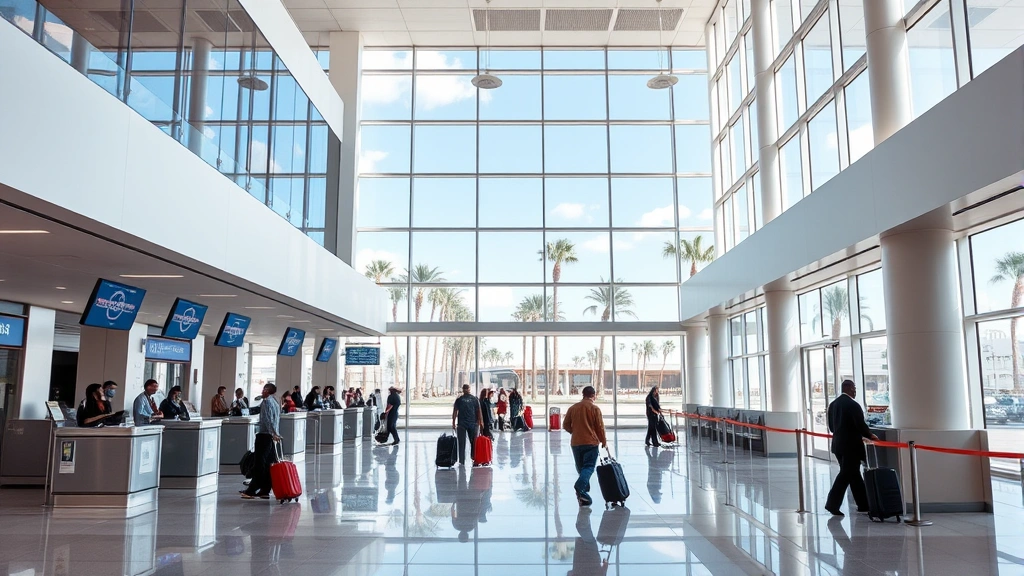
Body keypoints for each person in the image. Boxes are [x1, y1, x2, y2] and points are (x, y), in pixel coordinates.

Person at [825, 379, 879, 516]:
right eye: (854, 388)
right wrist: (870, 435)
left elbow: (831, 427)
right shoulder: (853, 405)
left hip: (838, 446)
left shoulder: (833, 404)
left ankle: (864, 504)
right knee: (845, 475)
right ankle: (832, 504)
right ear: (848, 388)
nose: (855, 391)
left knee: (854, 475)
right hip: (851, 447)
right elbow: (860, 425)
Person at [562, 386, 607, 507]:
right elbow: (600, 427)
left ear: (583, 395)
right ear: (594, 395)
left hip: (576, 443)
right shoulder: (595, 409)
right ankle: (580, 487)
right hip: (591, 443)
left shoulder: (573, 408)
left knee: (581, 468)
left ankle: (584, 495)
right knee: (588, 467)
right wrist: (603, 441)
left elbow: (565, 425)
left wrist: (574, 432)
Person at [242, 383, 281, 500]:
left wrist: (273, 433)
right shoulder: (275, 402)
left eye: (264, 389)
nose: (262, 391)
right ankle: (265, 490)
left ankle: (252, 490)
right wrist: (275, 433)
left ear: (267, 391)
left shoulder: (266, 402)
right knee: (268, 463)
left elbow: (268, 419)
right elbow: (276, 419)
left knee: (259, 463)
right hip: (271, 437)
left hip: (265, 435)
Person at [452, 384, 484, 465]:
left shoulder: (459, 400)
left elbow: (455, 411)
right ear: (469, 389)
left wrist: (453, 422)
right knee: (474, 442)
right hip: (473, 423)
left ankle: (462, 460)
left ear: (463, 389)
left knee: (461, 443)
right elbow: (479, 412)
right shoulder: (474, 399)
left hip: (462, 424)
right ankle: (474, 458)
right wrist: (481, 422)